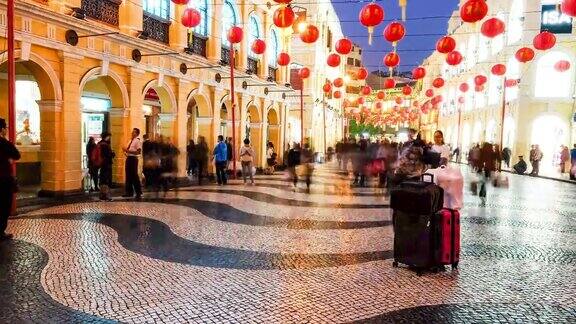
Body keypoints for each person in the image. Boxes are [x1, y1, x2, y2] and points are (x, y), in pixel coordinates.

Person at [0, 118, 21, 241]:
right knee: (4, 205)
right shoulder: (4, 143)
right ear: (2, 129)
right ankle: (0, 231)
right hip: (3, 180)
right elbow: (16, 155)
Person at [122, 128, 143, 200]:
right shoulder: (130, 140)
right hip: (129, 158)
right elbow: (128, 150)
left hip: (133, 159)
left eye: (134, 132)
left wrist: (127, 151)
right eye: (132, 132)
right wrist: (126, 152)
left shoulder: (137, 141)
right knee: (128, 175)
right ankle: (129, 192)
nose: (132, 133)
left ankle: (138, 192)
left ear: (137, 134)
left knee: (134, 175)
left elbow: (138, 152)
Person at [97, 132, 115, 201]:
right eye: (109, 137)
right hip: (106, 164)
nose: (109, 138)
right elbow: (109, 155)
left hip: (101, 164)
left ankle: (102, 195)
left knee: (102, 178)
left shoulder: (99, 143)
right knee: (106, 179)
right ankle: (105, 196)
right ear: (107, 136)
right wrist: (113, 153)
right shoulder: (105, 145)